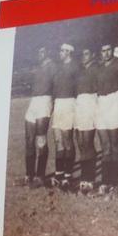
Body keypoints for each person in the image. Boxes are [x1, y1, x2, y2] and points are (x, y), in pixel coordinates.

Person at [94, 43, 118, 196]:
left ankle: (116, 182)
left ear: (112, 50)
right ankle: (105, 181)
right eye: (103, 51)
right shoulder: (99, 67)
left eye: (108, 50)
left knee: (115, 144)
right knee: (105, 145)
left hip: (115, 101)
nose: (106, 53)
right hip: (101, 103)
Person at [23, 47, 54, 188]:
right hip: (34, 101)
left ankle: (40, 176)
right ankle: (29, 175)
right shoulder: (38, 67)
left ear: (48, 52)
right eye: (38, 51)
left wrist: (51, 104)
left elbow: (56, 86)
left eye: (42, 51)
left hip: (45, 101)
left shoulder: (53, 66)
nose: (39, 54)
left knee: (41, 139)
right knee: (29, 139)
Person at [50, 43, 80, 190]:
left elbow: (78, 89)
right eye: (60, 50)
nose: (60, 53)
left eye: (62, 51)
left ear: (69, 52)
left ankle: (68, 175)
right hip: (58, 104)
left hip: (69, 103)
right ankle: (59, 173)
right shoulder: (58, 68)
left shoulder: (75, 67)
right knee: (58, 140)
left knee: (67, 140)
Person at [75, 47, 100, 193]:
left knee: (88, 143)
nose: (84, 56)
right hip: (80, 104)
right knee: (81, 144)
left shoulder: (96, 68)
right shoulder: (81, 69)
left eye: (86, 53)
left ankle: (89, 179)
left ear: (92, 54)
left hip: (90, 103)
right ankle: (84, 178)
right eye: (82, 54)